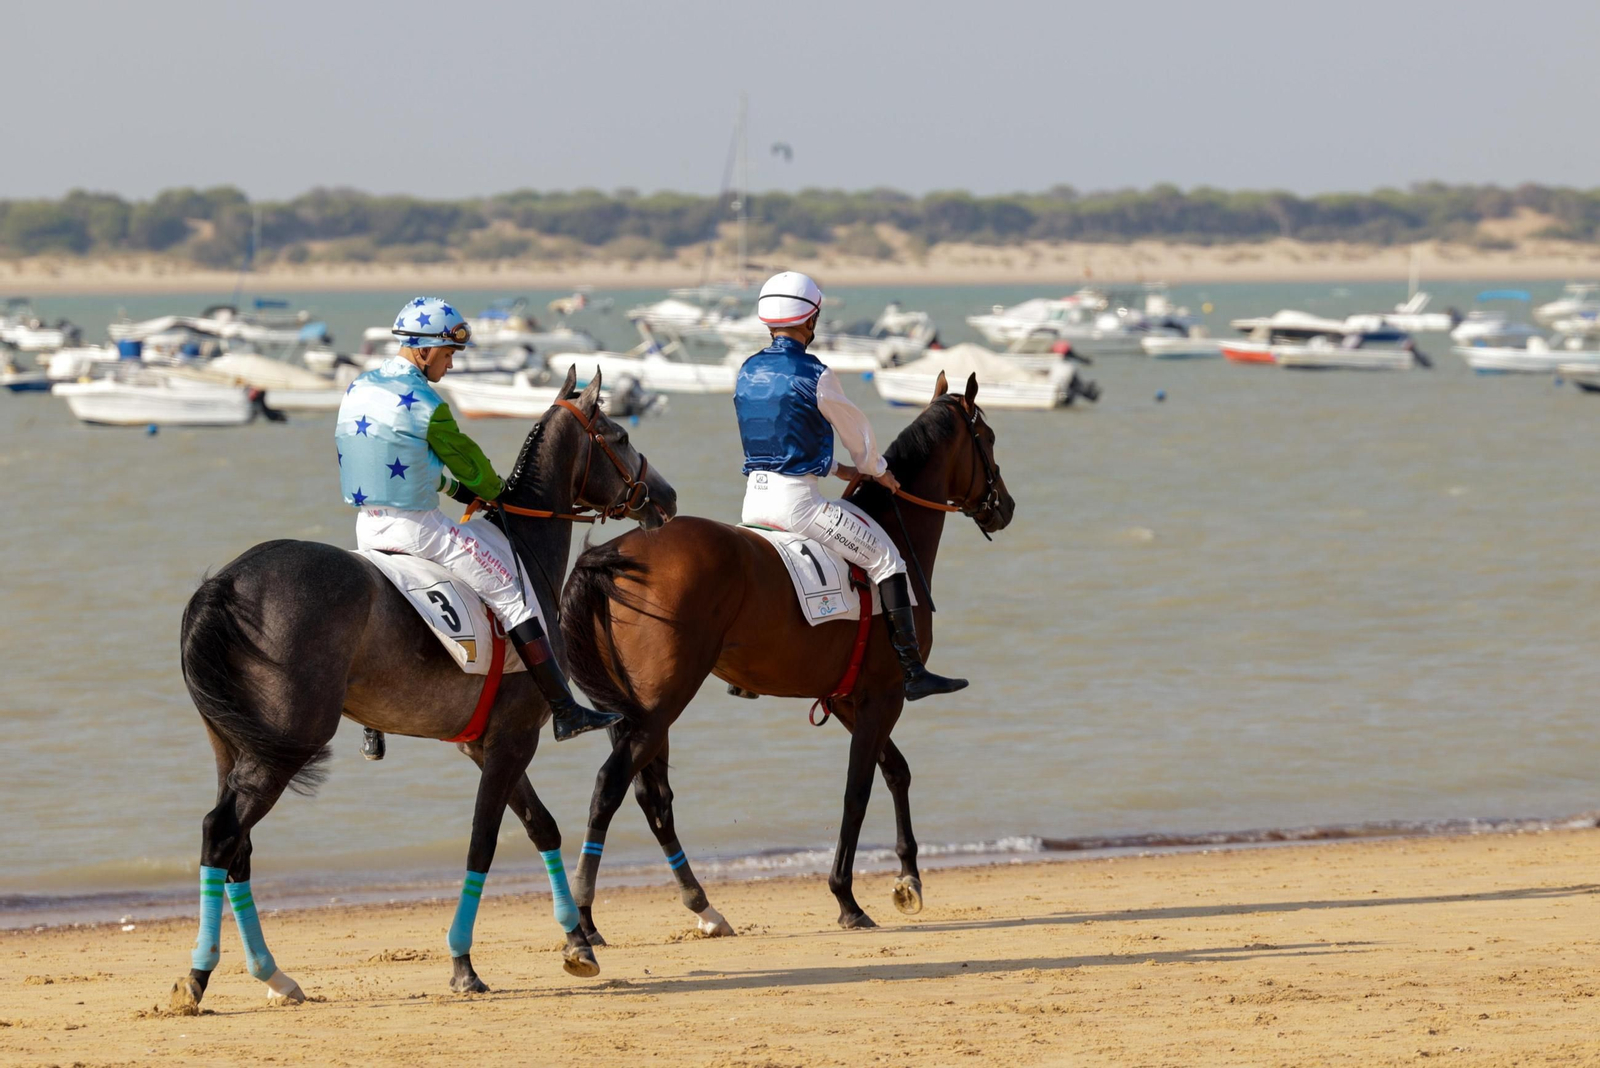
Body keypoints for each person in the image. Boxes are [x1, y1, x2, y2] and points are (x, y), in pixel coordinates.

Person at [335, 296, 621, 758]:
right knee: (512, 593)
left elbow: (407, 464)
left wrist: (456, 490)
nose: (449, 366)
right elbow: (472, 465)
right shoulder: (427, 403)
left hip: (368, 529)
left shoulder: (360, 388)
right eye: (447, 354)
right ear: (424, 350)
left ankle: (372, 724)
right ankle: (565, 710)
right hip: (418, 529)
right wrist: (496, 491)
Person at [733, 272, 966, 701]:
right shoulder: (816, 373)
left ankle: (742, 676)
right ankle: (913, 671)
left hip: (752, 505)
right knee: (888, 561)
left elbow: (779, 437)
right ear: (810, 320)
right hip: (798, 506)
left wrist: (836, 469)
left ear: (768, 321)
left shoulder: (747, 370)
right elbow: (856, 430)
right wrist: (874, 468)